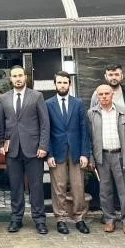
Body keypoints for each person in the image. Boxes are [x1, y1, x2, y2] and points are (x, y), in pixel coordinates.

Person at [0, 66, 50, 235]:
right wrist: (1, 144)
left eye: (20, 75)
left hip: (34, 149)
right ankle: (16, 218)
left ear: (25, 77)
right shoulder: (3, 98)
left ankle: (39, 220)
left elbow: (45, 123)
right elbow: (1, 124)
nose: (18, 78)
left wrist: (43, 146)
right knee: (15, 186)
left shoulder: (37, 96)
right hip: (12, 149)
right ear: (10, 79)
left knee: (36, 186)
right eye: (14, 76)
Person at [46, 71, 91, 234]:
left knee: (78, 185)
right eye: (59, 82)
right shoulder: (48, 104)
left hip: (76, 151)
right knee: (59, 186)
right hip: (57, 151)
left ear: (69, 85)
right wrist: (49, 154)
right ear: (55, 84)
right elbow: (46, 131)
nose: (62, 85)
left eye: (65, 82)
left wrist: (85, 153)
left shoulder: (78, 103)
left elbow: (84, 129)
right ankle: (61, 219)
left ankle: (79, 218)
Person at [88, 84, 125, 234]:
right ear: (97, 96)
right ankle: (109, 219)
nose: (103, 97)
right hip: (102, 157)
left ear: (112, 95)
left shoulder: (124, 112)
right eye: (100, 94)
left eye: (106, 94)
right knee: (105, 190)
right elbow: (88, 138)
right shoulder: (91, 114)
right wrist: (91, 158)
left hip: (121, 155)